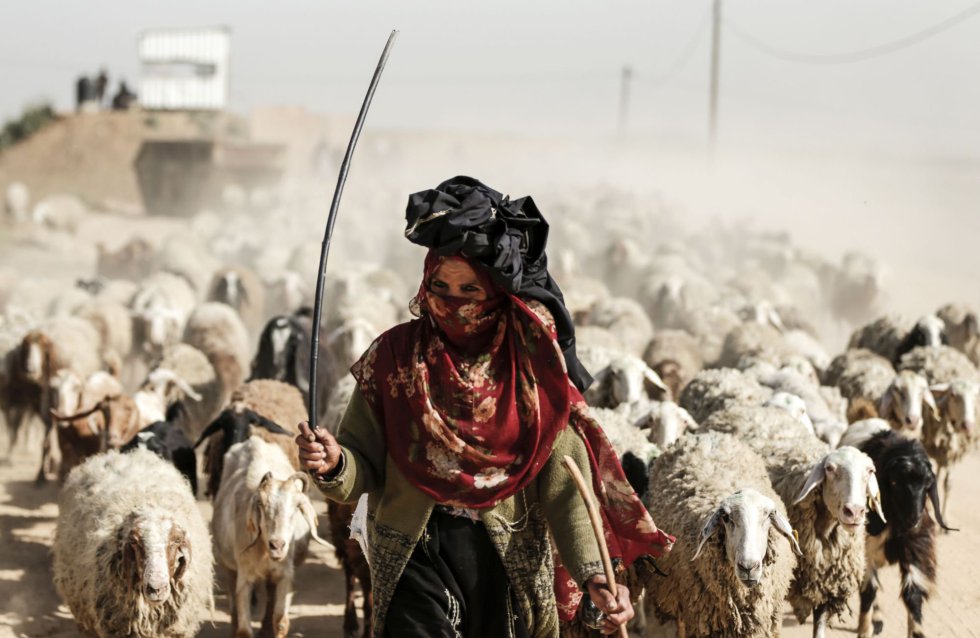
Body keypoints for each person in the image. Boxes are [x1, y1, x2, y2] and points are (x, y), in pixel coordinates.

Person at [297, 176, 673, 637]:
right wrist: (334, 463)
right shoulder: (395, 359)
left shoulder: (530, 370)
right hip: (413, 549)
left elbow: (564, 488)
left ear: (496, 294)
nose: (452, 302)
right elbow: (359, 468)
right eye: (441, 286)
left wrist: (594, 574)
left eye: (469, 291)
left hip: (504, 559)